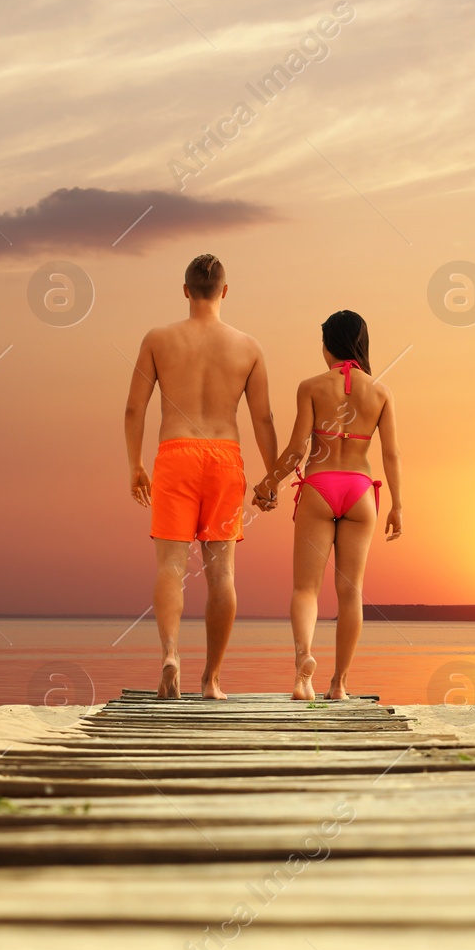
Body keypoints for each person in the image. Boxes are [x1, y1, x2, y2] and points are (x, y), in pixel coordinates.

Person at [124, 254, 279, 700]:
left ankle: (171, 653)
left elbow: (135, 407)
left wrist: (134, 463)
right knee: (222, 574)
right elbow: (263, 418)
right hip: (225, 457)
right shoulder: (248, 347)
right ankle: (211, 679)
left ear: (186, 290)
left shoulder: (159, 339)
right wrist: (272, 477)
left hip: (175, 453)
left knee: (171, 568)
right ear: (225, 292)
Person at [253, 310, 402, 700]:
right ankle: (340, 685)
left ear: (328, 345)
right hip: (359, 490)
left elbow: (298, 448)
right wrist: (397, 506)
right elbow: (392, 455)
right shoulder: (381, 392)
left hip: (319, 486)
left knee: (305, 588)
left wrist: (268, 484)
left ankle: (303, 673)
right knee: (351, 592)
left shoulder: (311, 386)